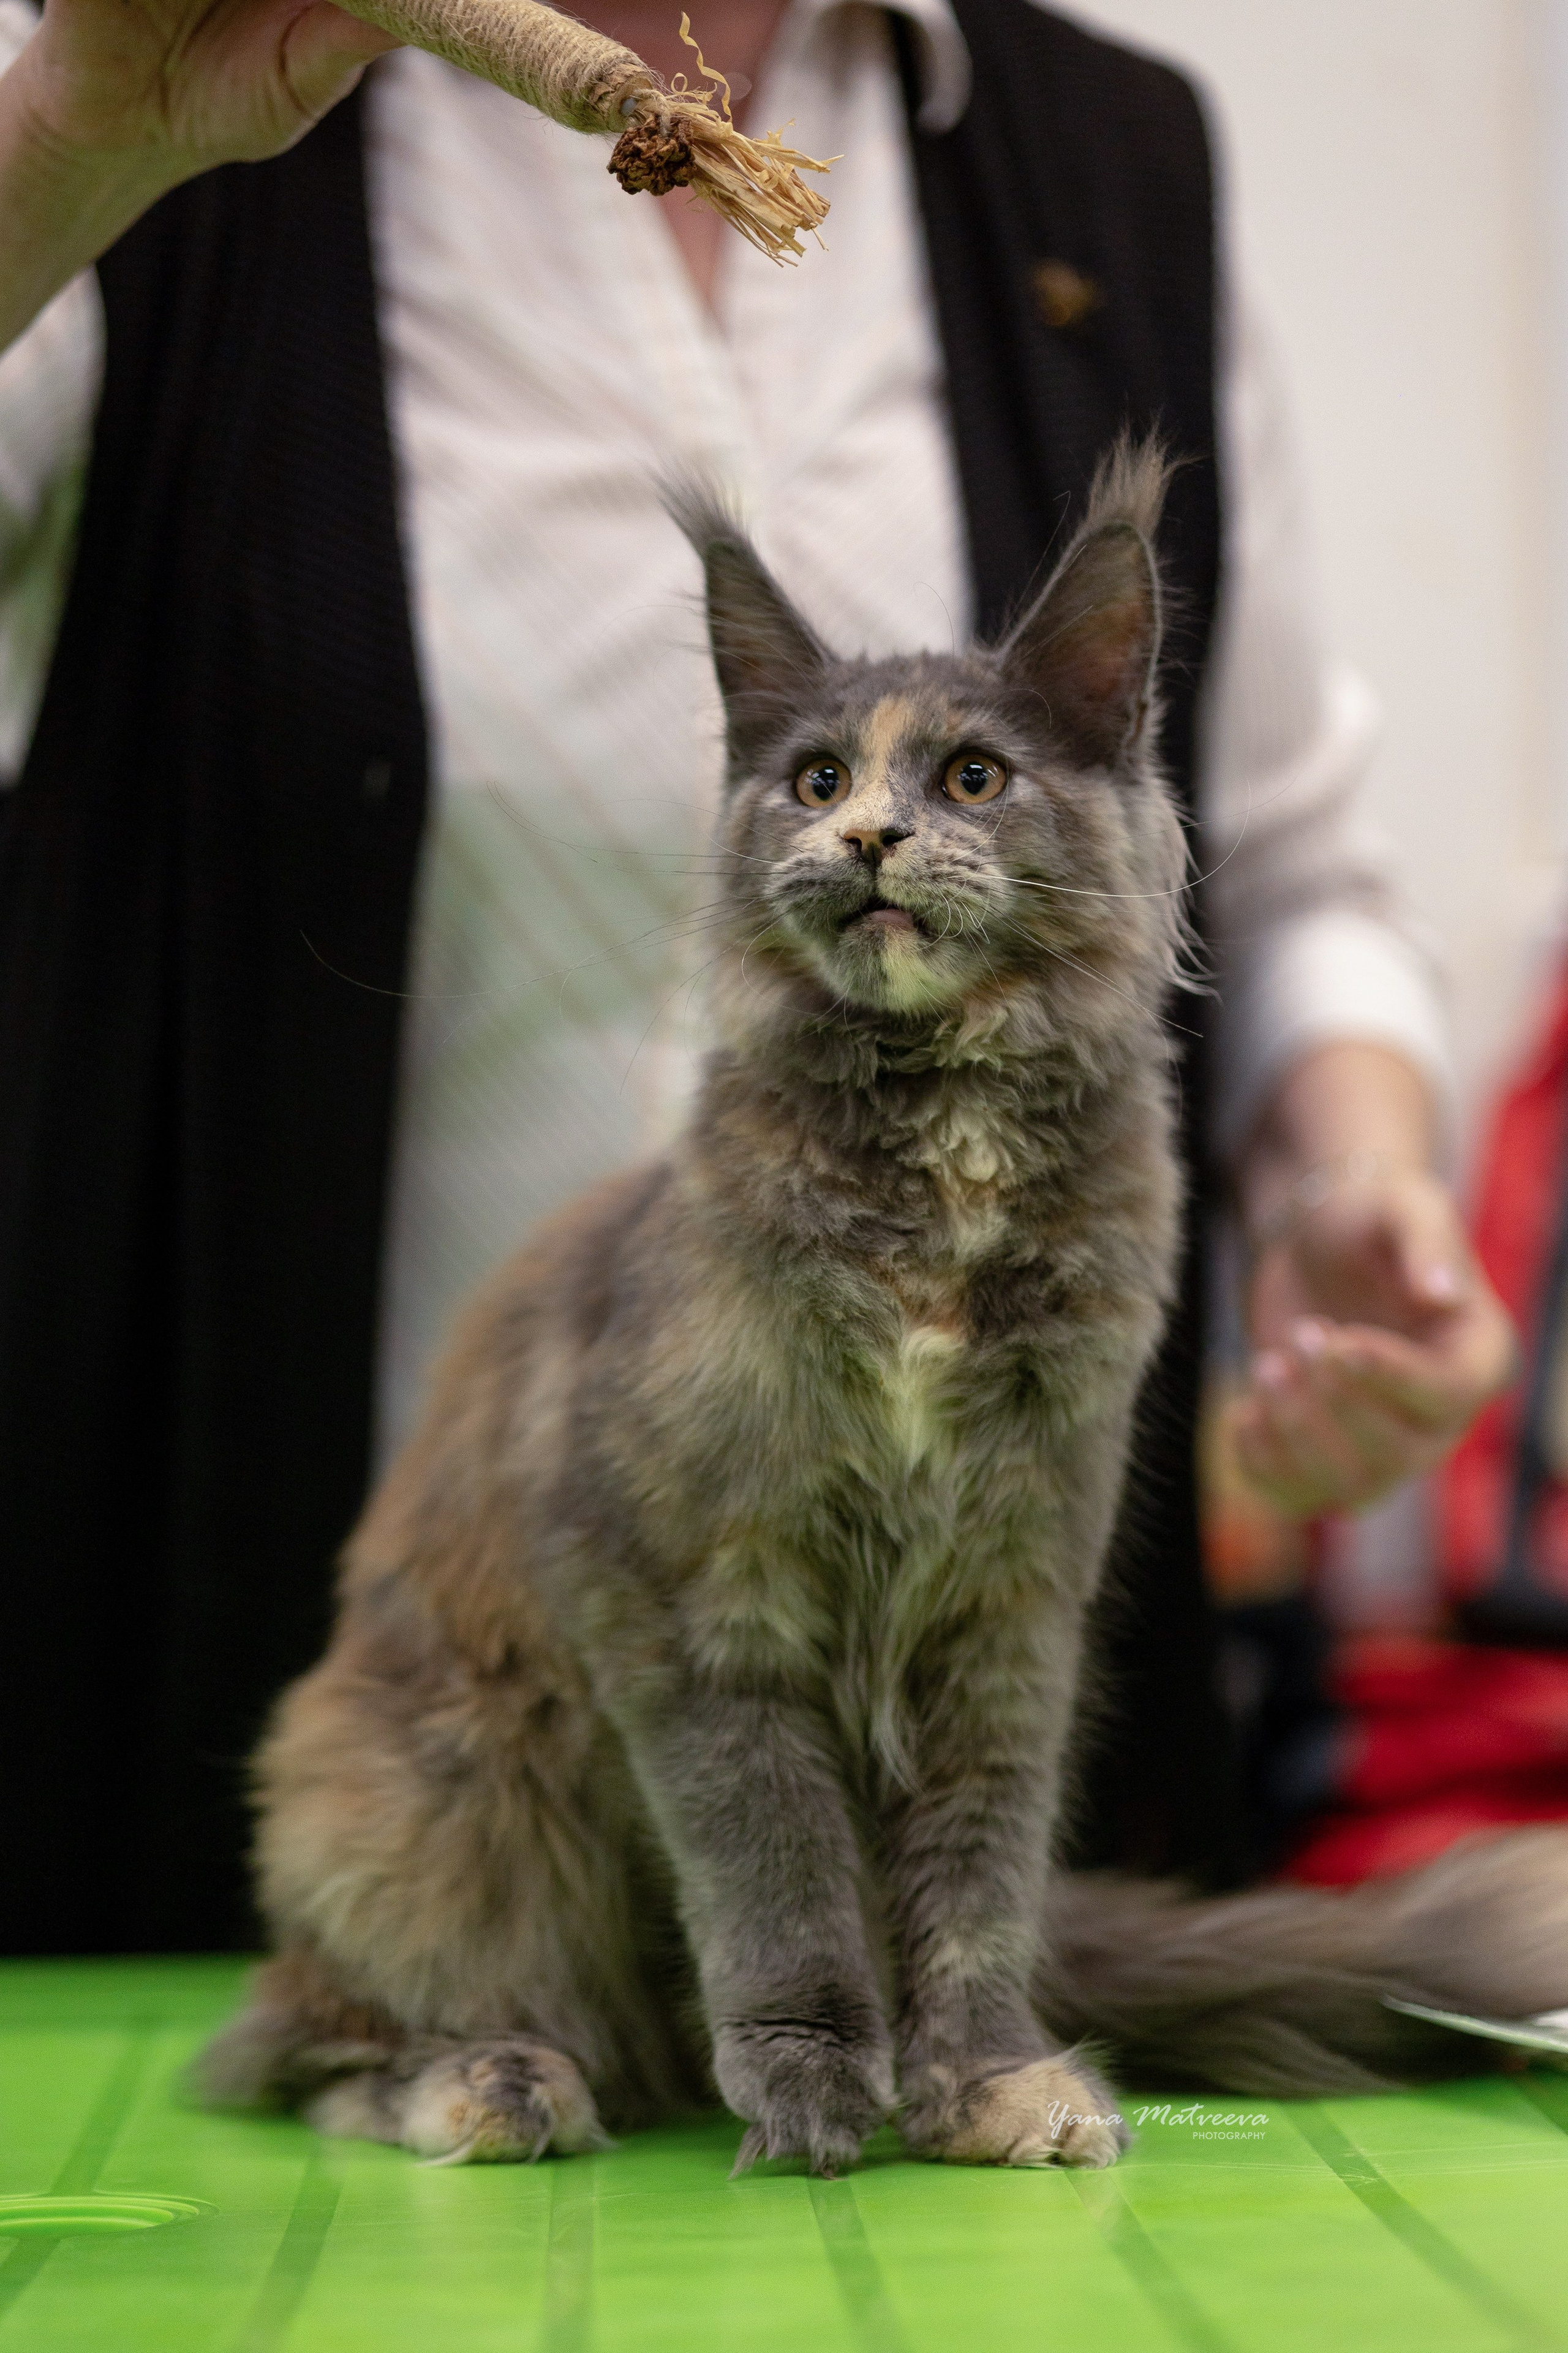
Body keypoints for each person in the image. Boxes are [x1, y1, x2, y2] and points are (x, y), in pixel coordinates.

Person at [0, 0, 1515, 1951]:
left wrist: (1343, 1184)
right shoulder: (165, 71)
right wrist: (70, 135)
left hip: (927, 1797)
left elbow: (1290, 861)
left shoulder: (1110, 155)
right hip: (368, 1764)